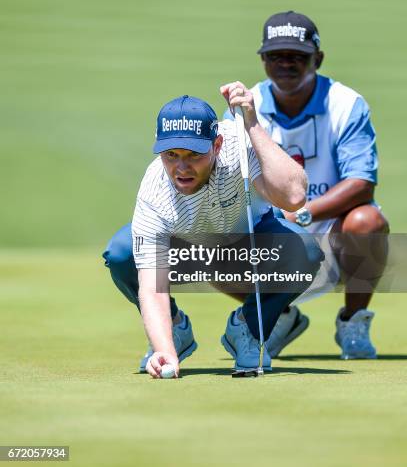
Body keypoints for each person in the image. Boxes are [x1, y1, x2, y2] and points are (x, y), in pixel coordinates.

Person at [103, 85, 323, 377]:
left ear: (216, 145)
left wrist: (253, 124)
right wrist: (164, 350)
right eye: (171, 154)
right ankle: (175, 333)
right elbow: (151, 286)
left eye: (193, 154)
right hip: (185, 250)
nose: (181, 167)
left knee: (305, 251)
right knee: (121, 253)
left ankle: (248, 328)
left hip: (248, 242)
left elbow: (294, 197)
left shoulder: (239, 145)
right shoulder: (153, 191)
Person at [241, 10, 389, 360]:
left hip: (335, 235)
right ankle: (282, 317)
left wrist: (301, 215)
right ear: (263, 60)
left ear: (317, 59)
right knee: (215, 241)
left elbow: (362, 183)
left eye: (297, 56)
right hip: (275, 239)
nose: (286, 64)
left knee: (367, 222)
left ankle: (353, 322)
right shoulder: (248, 106)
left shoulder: (345, 104)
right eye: (276, 56)